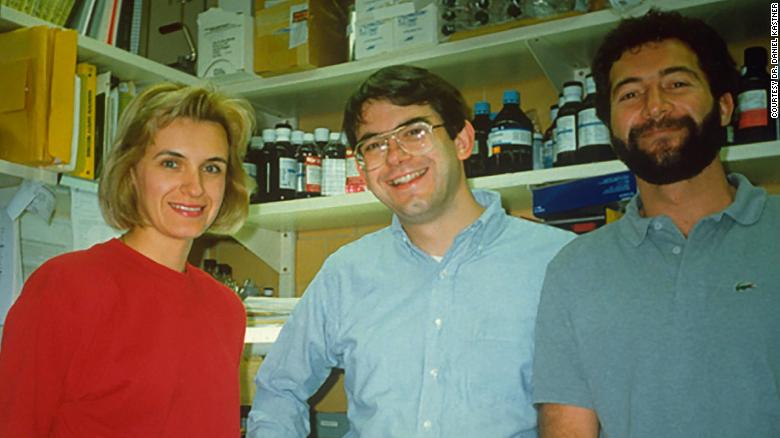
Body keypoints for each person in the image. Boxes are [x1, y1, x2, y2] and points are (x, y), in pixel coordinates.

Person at [247, 65, 574, 437]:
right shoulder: (345, 273)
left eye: (414, 132)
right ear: (362, 167)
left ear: (463, 141)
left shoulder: (557, 261)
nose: (395, 157)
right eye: (374, 144)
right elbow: (279, 388)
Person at [532, 10, 780, 438]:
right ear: (609, 123)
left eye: (677, 84)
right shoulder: (573, 270)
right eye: (630, 94)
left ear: (724, 106)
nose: (655, 107)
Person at [0, 83, 255, 437]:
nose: (195, 187)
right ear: (132, 171)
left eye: (212, 168)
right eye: (171, 163)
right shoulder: (66, 286)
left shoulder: (226, 309)